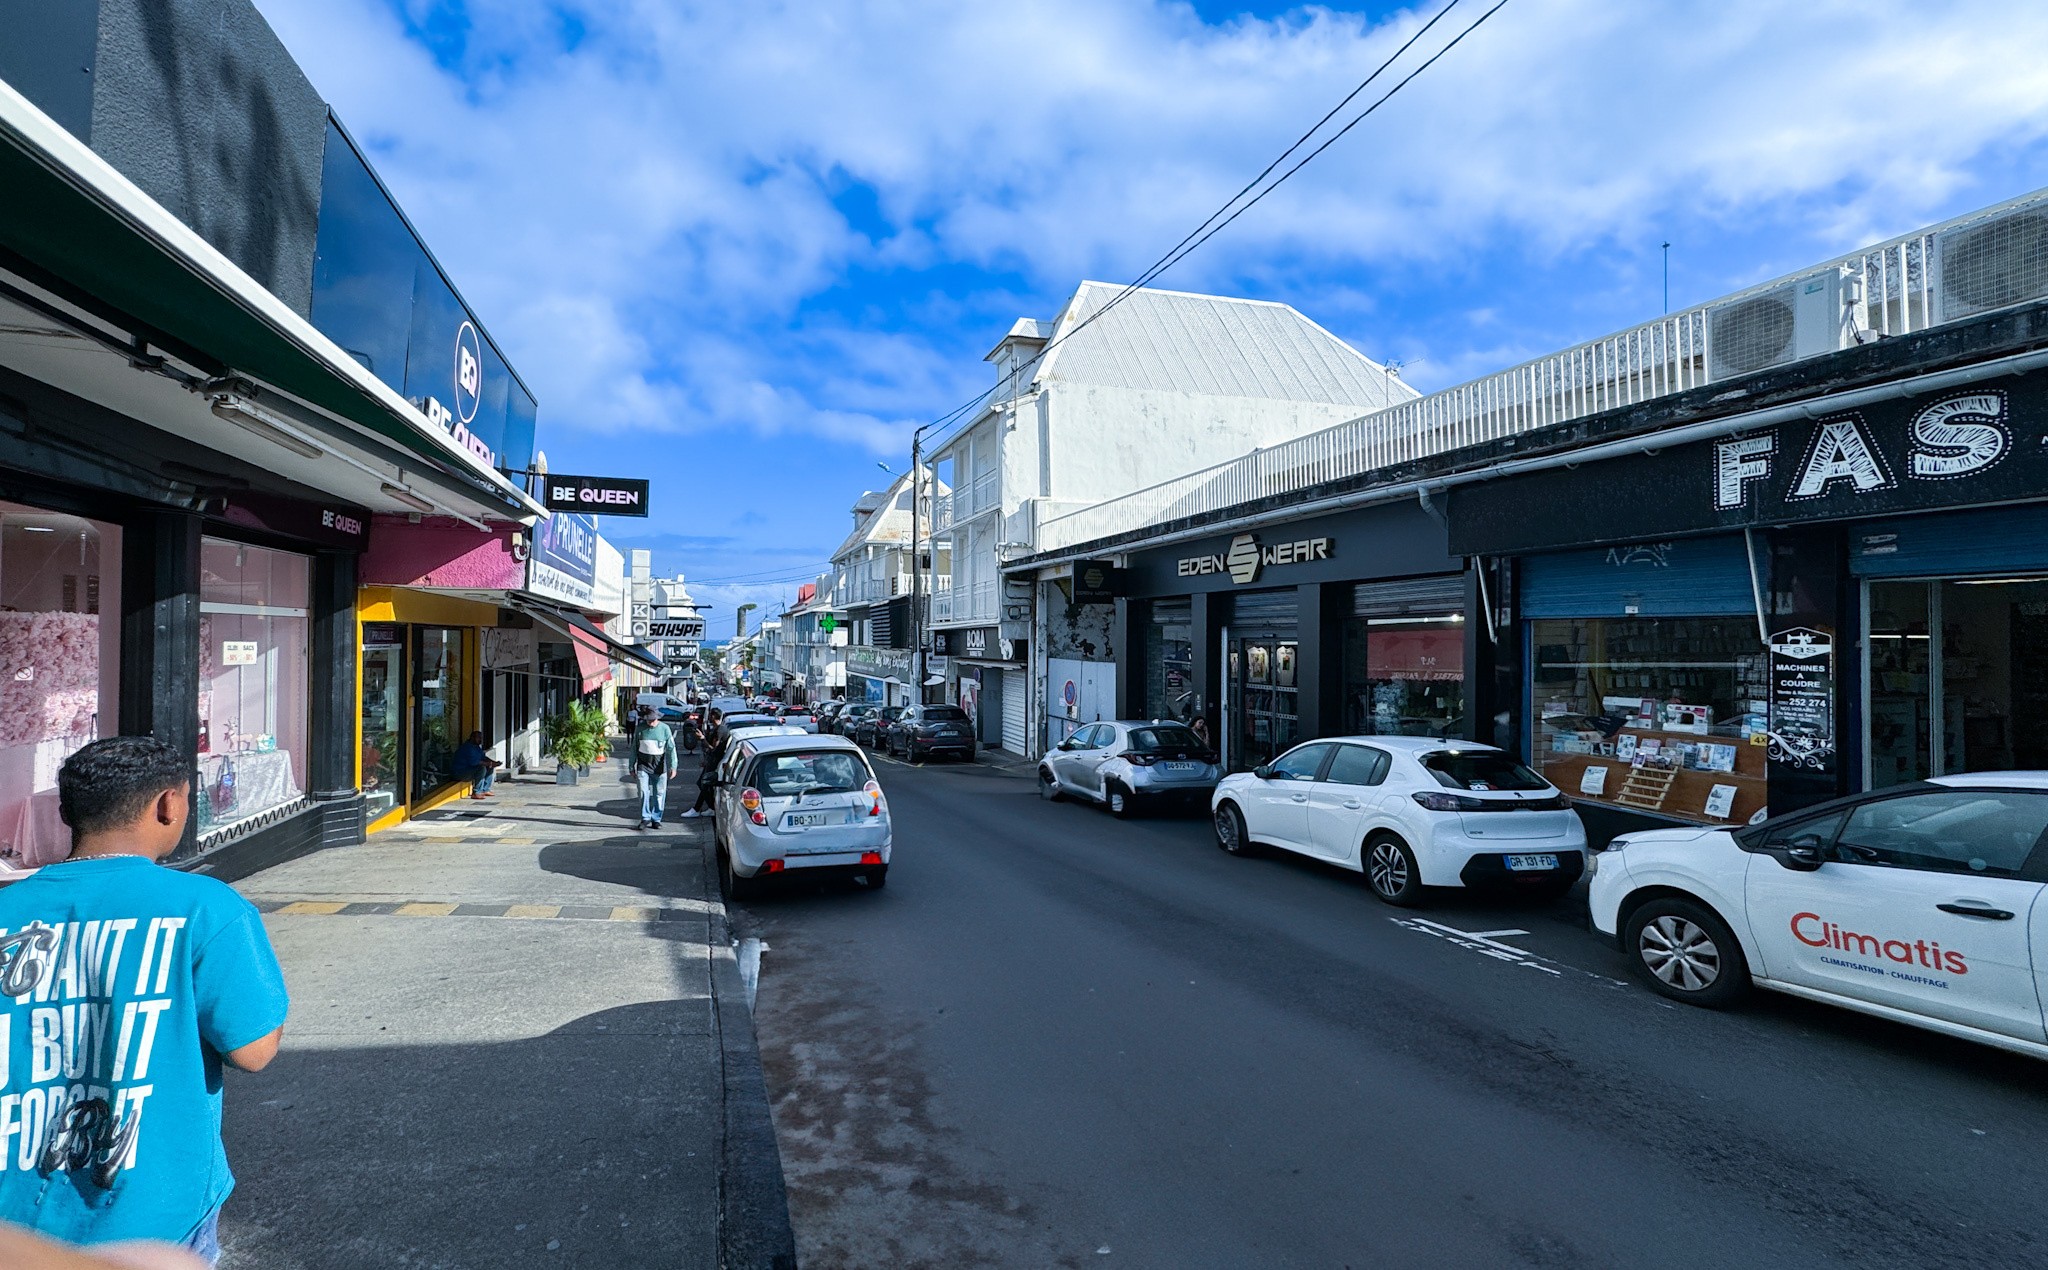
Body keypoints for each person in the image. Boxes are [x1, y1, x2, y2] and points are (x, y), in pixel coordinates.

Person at [0, 737, 289, 1265]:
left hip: (15, 1223)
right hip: (157, 1216)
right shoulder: (205, 908)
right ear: (168, 805)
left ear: (68, 813)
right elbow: (254, 1049)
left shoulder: (7, 909)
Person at [631, 706, 679, 830]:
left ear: (657, 718)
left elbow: (671, 749)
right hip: (643, 765)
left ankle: (656, 818)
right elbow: (634, 749)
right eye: (648, 719)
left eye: (652, 719)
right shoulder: (640, 729)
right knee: (643, 791)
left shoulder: (664, 729)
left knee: (659, 793)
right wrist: (631, 766)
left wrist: (673, 766)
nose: (650, 722)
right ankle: (645, 817)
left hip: (659, 766)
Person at [681, 709, 726, 819]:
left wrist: (702, 739)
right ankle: (702, 808)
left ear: (714, 716)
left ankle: (708, 807)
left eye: (710, 716)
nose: (709, 718)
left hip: (715, 762)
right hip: (712, 761)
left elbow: (713, 749)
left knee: (703, 783)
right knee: (704, 784)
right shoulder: (721, 729)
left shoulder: (719, 731)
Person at [451, 730, 499, 798]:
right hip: (460, 773)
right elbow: (474, 762)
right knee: (482, 768)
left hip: (470, 770)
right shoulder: (467, 748)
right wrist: (489, 763)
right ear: (472, 738)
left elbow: (483, 757)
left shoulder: (476, 747)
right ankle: (476, 792)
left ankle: (485, 789)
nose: (480, 740)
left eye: (481, 738)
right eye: (478, 738)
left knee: (490, 767)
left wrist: (494, 763)